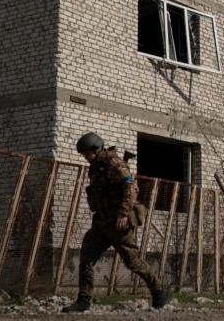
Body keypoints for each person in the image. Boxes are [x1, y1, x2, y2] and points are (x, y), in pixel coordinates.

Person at [62, 132, 171, 313]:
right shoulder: (95, 167)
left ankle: (159, 291)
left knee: (133, 262)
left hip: (119, 224)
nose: (85, 157)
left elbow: (131, 189)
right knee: (86, 257)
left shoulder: (115, 164)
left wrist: (123, 214)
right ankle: (83, 300)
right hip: (102, 222)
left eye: (86, 153)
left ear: (96, 150)